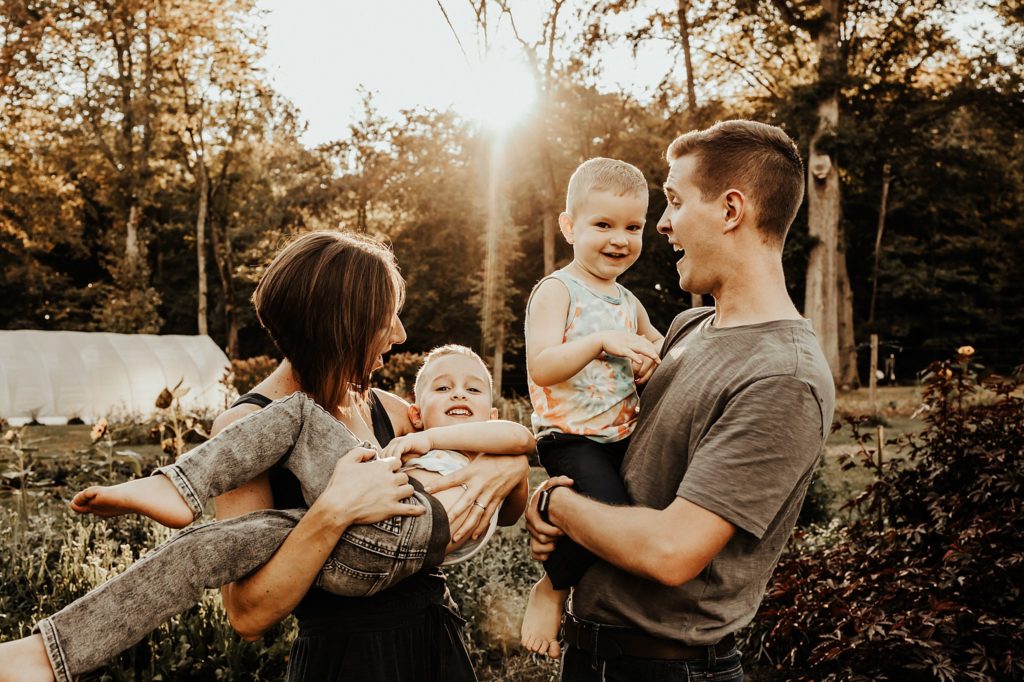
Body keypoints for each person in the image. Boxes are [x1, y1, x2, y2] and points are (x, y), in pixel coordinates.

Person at [0, 232, 529, 682]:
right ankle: (51, 654)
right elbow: (248, 615)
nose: (400, 334)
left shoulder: (391, 407)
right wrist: (333, 511)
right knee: (197, 550)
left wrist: (503, 464)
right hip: (345, 660)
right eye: (386, 319)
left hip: (432, 640)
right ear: (343, 327)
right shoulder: (245, 428)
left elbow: (491, 484)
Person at [526, 120, 836, 681]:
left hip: (667, 669)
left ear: (731, 210)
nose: (663, 224)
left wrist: (554, 506)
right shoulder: (690, 327)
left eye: (673, 202)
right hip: (591, 653)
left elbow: (672, 552)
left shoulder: (782, 376)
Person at [519, 157, 664, 658]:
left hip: (624, 435)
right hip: (570, 436)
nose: (618, 239)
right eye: (602, 225)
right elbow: (542, 365)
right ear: (569, 227)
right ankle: (551, 590)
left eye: (632, 227)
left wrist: (650, 361)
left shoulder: (627, 301)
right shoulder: (558, 290)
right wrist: (599, 341)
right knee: (610, 514)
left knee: (634, 519)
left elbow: (658, 347)